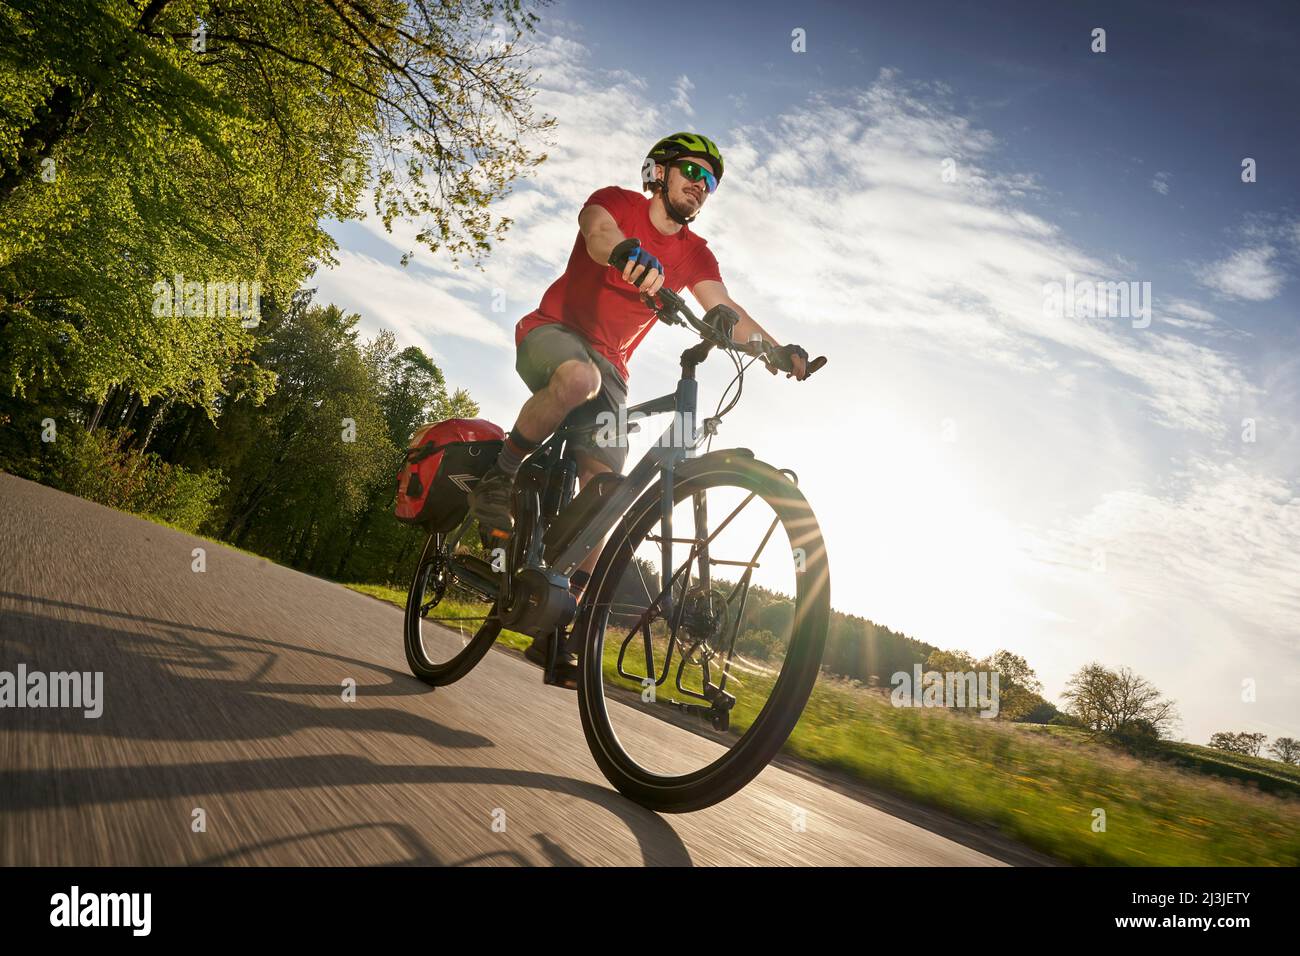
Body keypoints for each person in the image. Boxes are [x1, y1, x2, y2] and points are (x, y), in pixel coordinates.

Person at [468, 132, 812, 685]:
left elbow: (726, 307)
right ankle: (499, 477)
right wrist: (627, 250)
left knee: (605, 490)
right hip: (555, 333)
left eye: (710, 182)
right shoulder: (619, 203)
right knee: (576, 377)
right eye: (692, 173)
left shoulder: (695, 253)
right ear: (661, 172)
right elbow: (599, 233)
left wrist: (775, 350)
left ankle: (564, 627)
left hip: (612, 370)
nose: (700, 187)